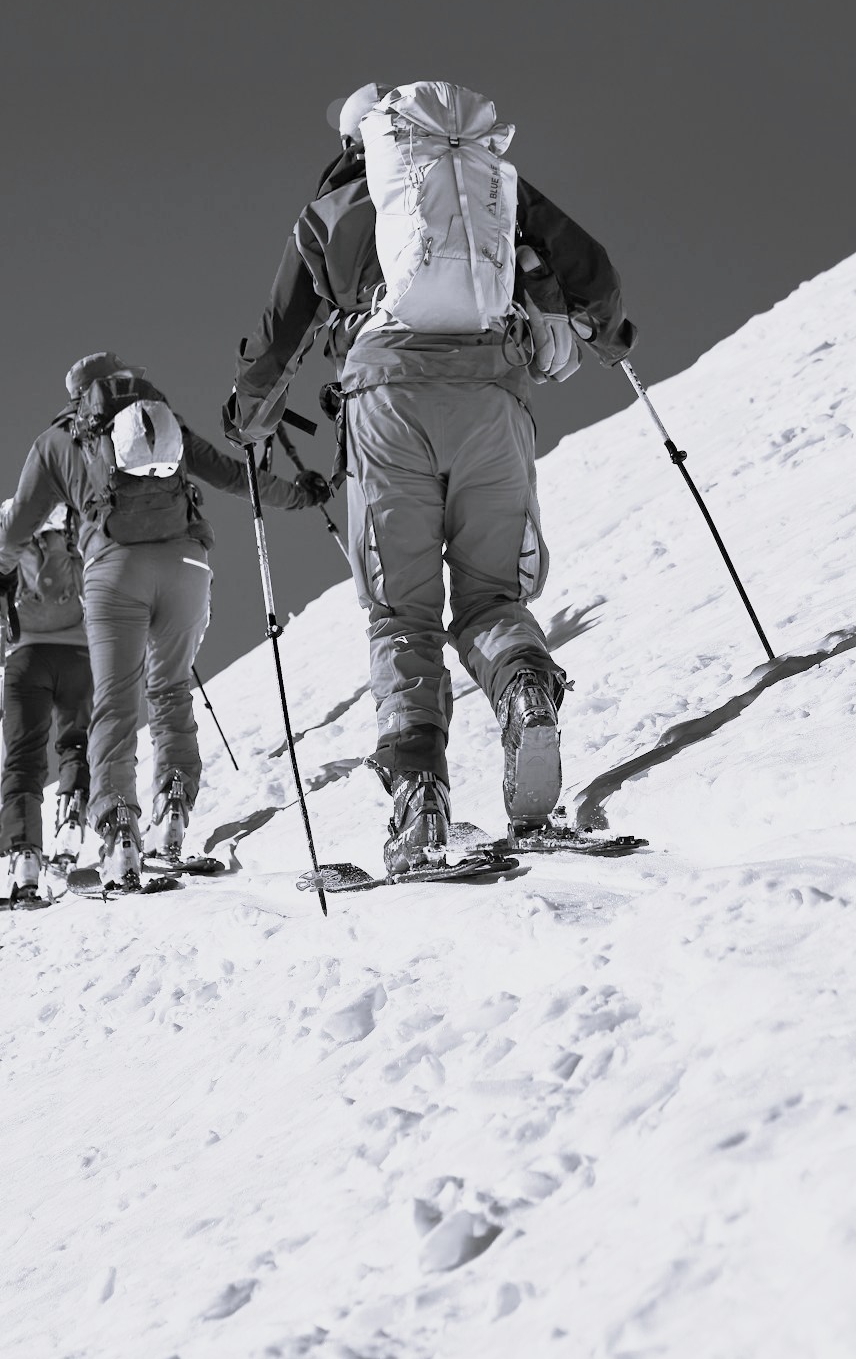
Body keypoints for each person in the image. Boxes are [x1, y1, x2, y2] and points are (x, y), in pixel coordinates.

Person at [225, 81, 633, 870]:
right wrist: (611, 336)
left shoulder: (332, 212)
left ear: (357, 145)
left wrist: (248, 421)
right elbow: (596, 273)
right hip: (492, 393)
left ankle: (418, 802)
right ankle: (522, 690)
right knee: (493, 595)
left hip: (386, 402)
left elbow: (278, 342)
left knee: (400, 614)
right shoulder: (490, 181)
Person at [0, 353, 325, 889]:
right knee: (171, 689)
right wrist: (300, 494)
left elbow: (18, 528)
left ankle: (120, 833)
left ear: (77, 393)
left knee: (115, 702)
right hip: (187, 565)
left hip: (113, 570)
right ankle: (172, 815)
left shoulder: (59, 441)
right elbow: (235, 476)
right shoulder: (159, 420)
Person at [0, 501, 92, 904]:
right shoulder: (77, 542)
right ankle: (72, 815)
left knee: (22, 758)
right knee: (77, 741)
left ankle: (25, 855)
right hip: (80, 655)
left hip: (22, 661)